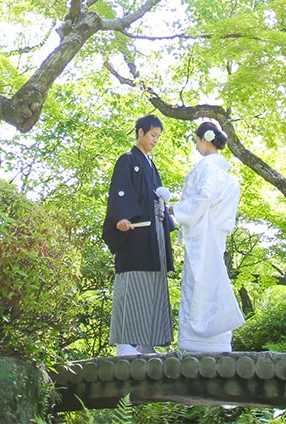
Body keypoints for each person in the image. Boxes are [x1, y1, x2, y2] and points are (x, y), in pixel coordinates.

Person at [102, 114, 176, 356]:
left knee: (154, 284)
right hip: (135, 233)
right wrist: (121, 217)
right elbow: (120, 191)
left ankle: (146, 342)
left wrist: (167, 209)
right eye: (152, 135)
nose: (155, 140)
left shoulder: (151, 164)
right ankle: (125, 343)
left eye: (158, 137)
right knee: (133, 282)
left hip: (154, 235)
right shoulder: (127, 160)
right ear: (140, 132)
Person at [172, 121, 244, 352]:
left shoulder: (208, 168)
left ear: (205, 138)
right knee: (210, 279)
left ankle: (199, 339)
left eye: (197, 140)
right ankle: (216, 338)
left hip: (203, 232)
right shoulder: (224, 173)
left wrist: (178, 209)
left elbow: (203, 198)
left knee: (198, 282)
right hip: (213, 232)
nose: (196, 146)